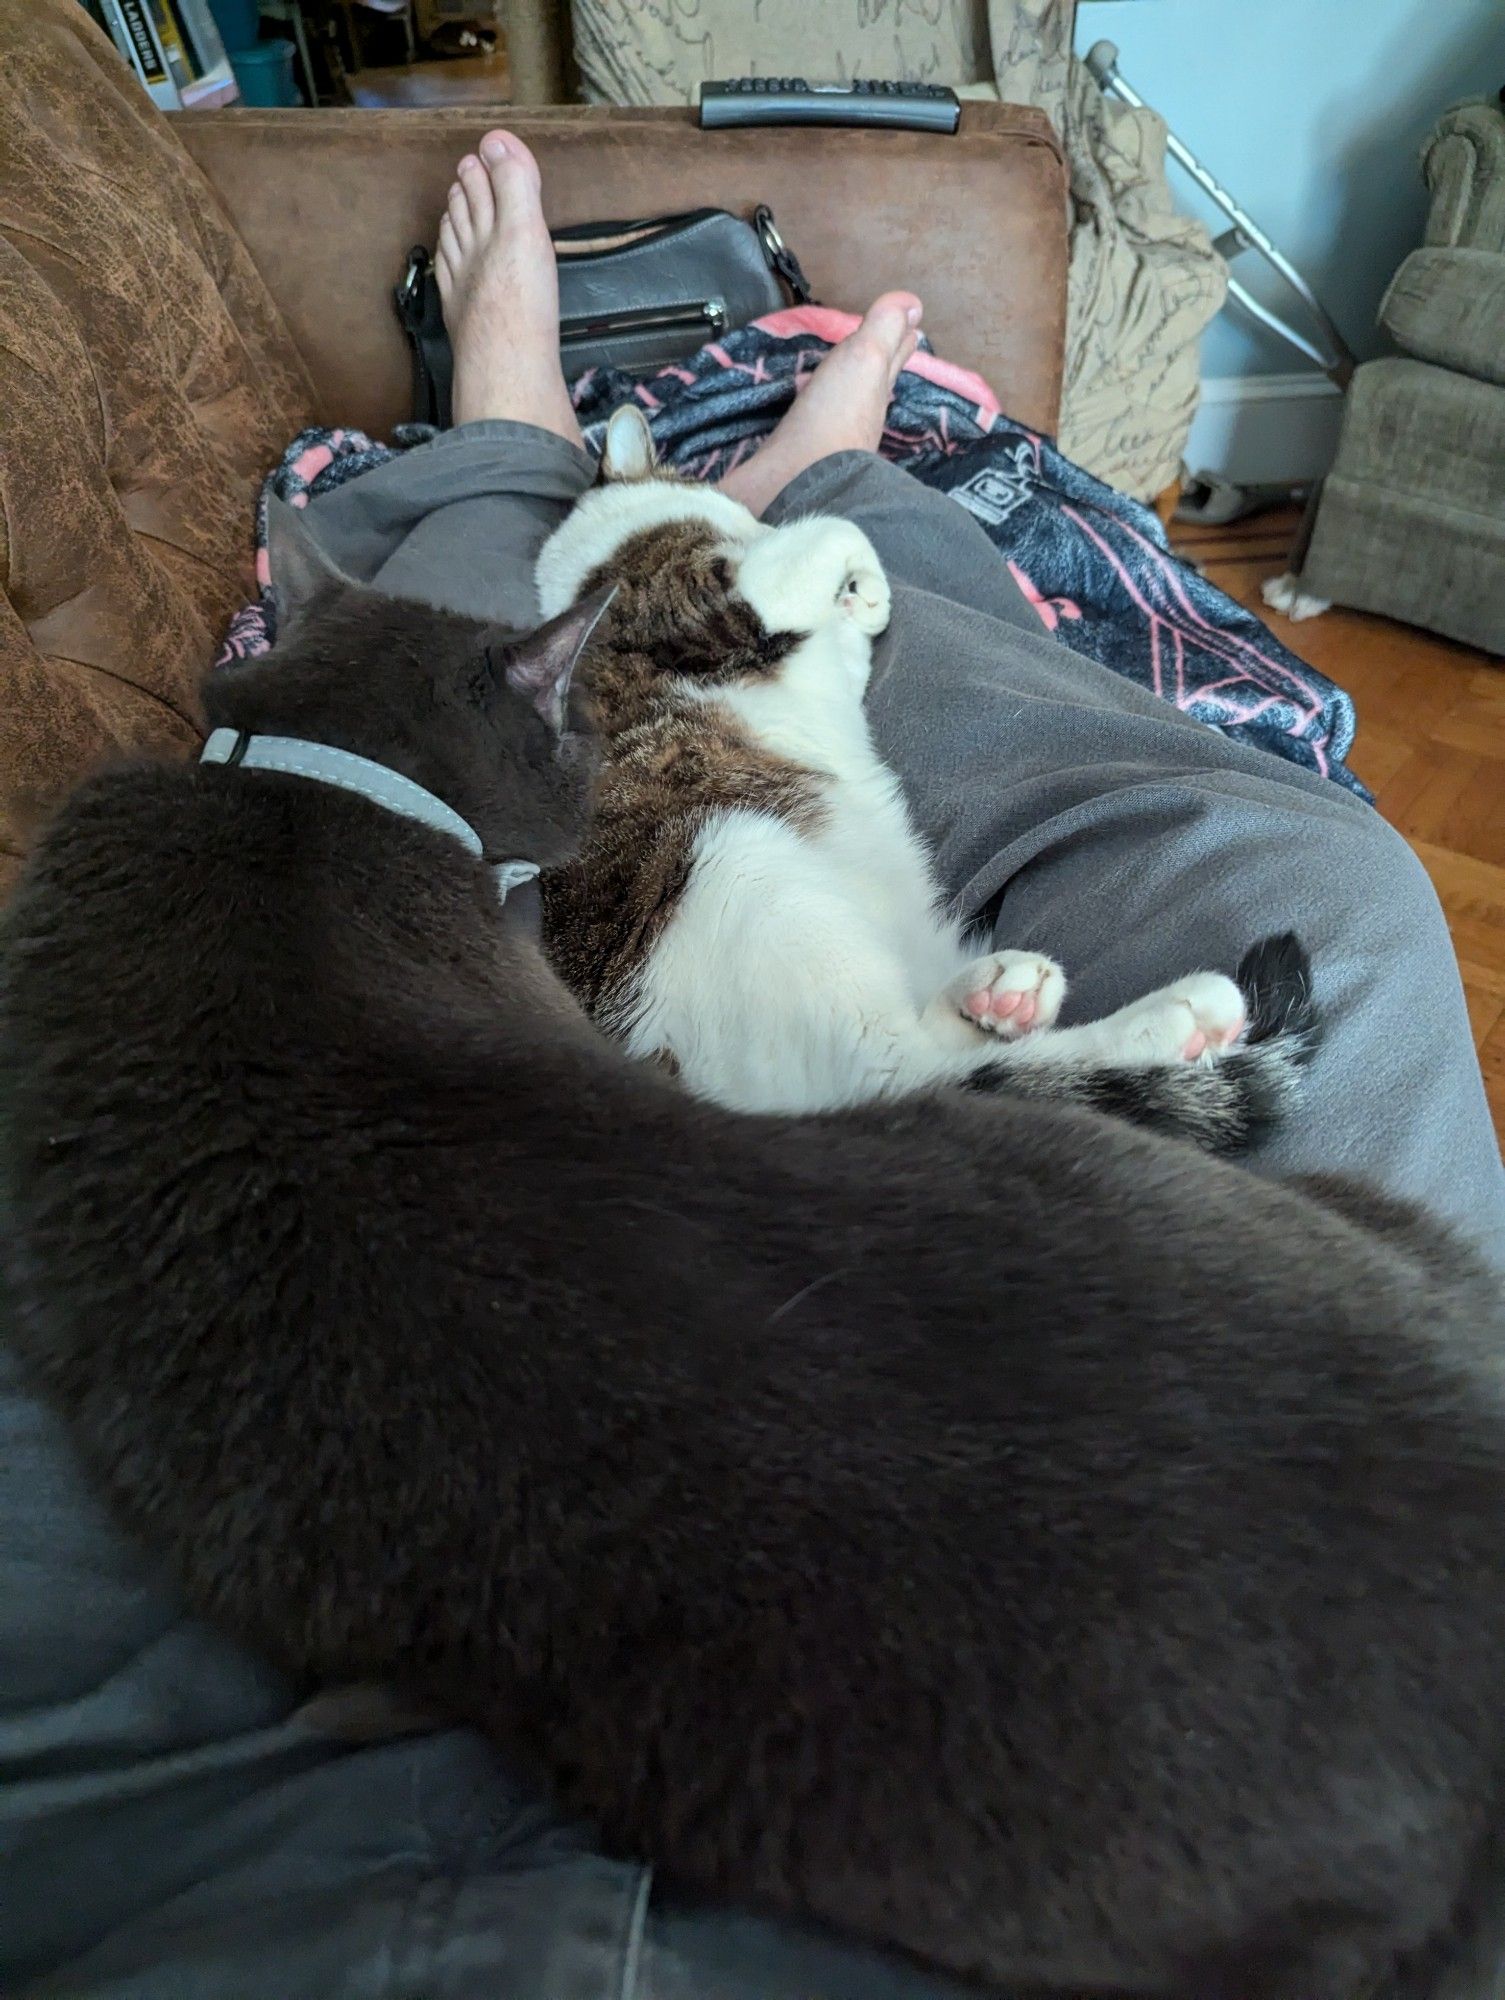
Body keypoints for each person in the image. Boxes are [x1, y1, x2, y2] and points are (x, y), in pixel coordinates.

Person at [2, 132, 1501, 2000]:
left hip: (207, 1759)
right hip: (1236, 1744)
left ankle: (524, 445)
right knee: (1310, 898)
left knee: (432, 688)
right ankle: (827, 492)